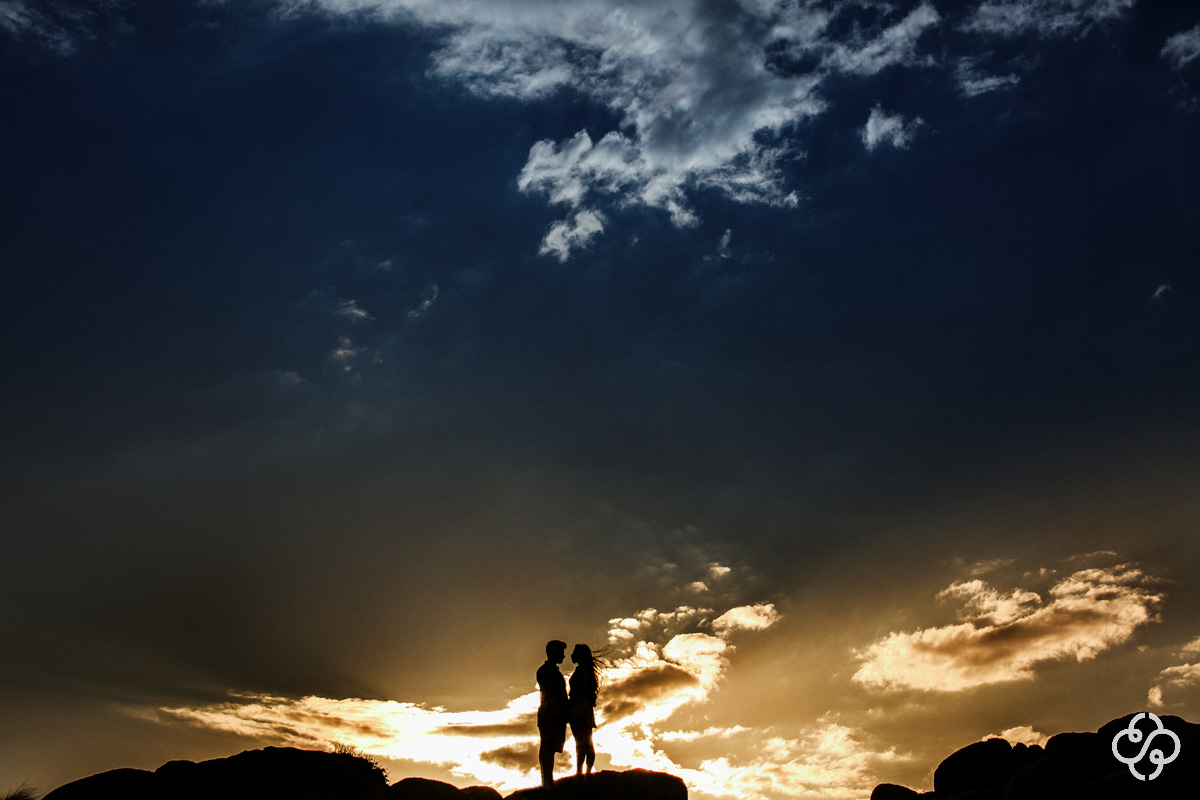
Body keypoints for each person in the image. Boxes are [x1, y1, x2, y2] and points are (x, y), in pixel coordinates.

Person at [568, 643, 606, 777]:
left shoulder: (581, 671)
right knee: (588, 741)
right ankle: (587, 772)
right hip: (586, 709)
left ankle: (580, 772)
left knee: (580, 742)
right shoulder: (588, 671)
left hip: (577, 709)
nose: (572, 655)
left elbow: (576, 691)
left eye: (575, 652)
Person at [536, 640, 569, 789]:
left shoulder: (551, 671)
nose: (563, 656)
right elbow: (552, 694)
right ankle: (547, 781)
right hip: (550, 714)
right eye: (561, 652)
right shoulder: (545, 671)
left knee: (551, 748)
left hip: (555, 714)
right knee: (547, 748)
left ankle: (548, 779)